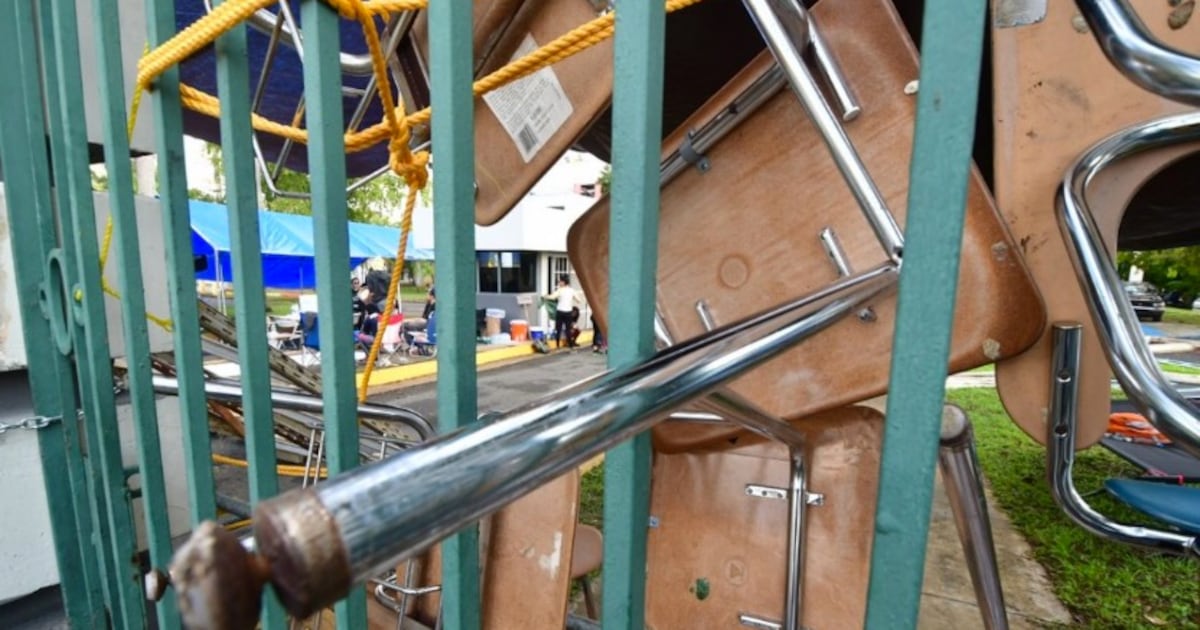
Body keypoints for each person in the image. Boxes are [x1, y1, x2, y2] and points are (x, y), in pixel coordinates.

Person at [545, 274, 579, 349]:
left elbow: (552, 297)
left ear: (564, 282)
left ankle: (557, 345)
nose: (559, 282)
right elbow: (578, 300)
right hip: (568, 312)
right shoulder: (571, 290)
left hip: (560, 312)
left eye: (560, 281)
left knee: (558, 329)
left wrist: (545, 296)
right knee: (568, 329)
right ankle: (571, 345)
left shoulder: (560, 290)